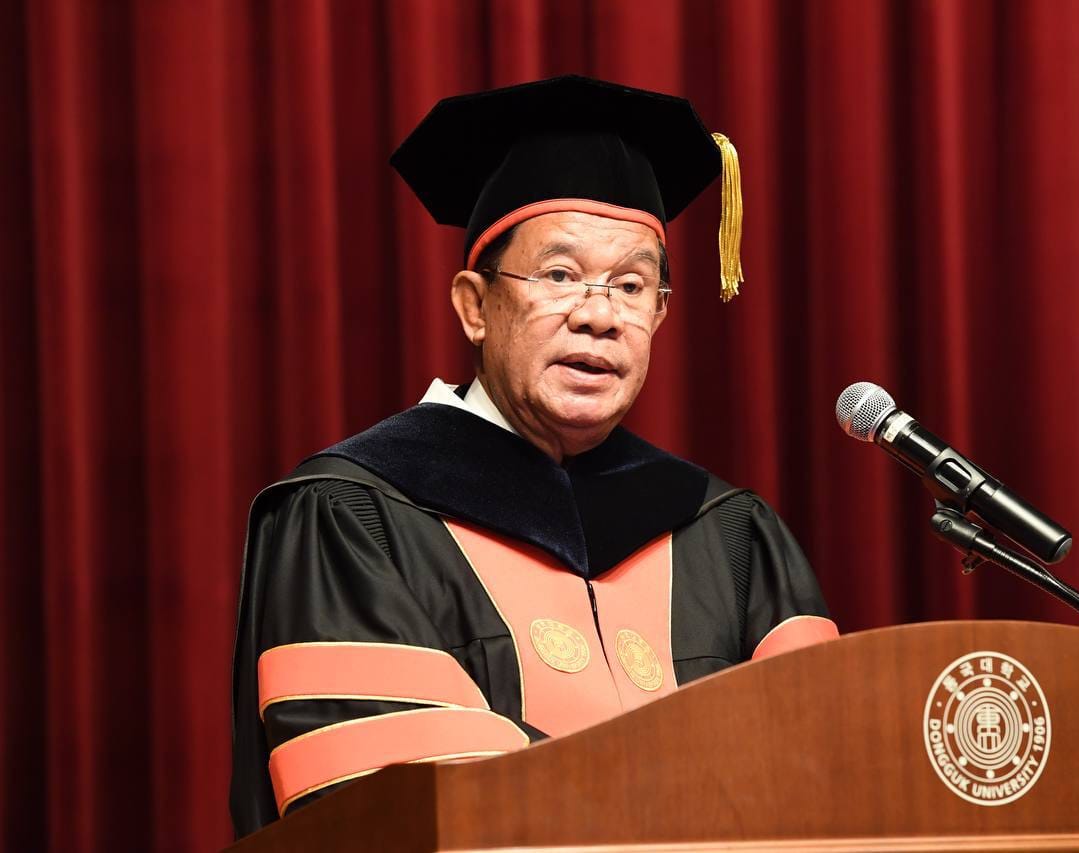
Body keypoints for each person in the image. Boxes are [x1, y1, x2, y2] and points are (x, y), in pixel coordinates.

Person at [229, 75, 836, 837]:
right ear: (475, 306)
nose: (599, 315)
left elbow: (826, 772)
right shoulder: (354, 517)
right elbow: (389, 802)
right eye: (559, 275)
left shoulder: (729, 534)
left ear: (660, 314)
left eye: (631, 285)